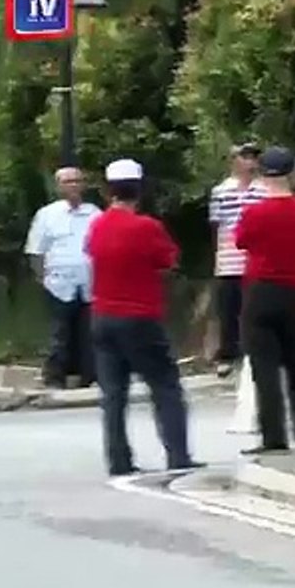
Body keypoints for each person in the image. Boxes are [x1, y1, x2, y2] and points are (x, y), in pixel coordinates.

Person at [85, 159, 200, 476]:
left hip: (103, 315)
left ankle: (118, 460)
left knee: (113, 394)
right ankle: (177, 454)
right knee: (165, 386)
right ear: (140, 190)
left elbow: (91, 254)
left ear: (109, 191)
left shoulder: (98, 225)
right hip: (140, 316)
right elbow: (168, 261)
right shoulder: (147, 227)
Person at [235, 147, 295, 454]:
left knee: (265, 366)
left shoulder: (255, 213)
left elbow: (241, 240)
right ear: (292, 173)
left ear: (261, 173)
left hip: (261, 288)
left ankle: (274, 435)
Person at [25, 167, 100, 390]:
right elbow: (36, 251)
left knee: (89, 333)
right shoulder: (47, 215)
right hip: (58, 283)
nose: (73, 185)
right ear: (59, 186)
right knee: (60, 333)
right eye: (67, 182)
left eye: (77, 181)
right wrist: (42, 276)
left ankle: (90, 376)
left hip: (89, 283)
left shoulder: (94, 213)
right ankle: (55, 378)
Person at [208, 143, 265, 378]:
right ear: (234, 160)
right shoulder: (221, 191)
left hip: (255, 259)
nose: (250, 162)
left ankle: (254, 352)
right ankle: (228, 354)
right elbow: (216, 226)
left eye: (253, 157)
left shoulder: (263, 190)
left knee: (254, 309)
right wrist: (219, 256)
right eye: (245, 157)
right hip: (229, 259)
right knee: (228, 310)